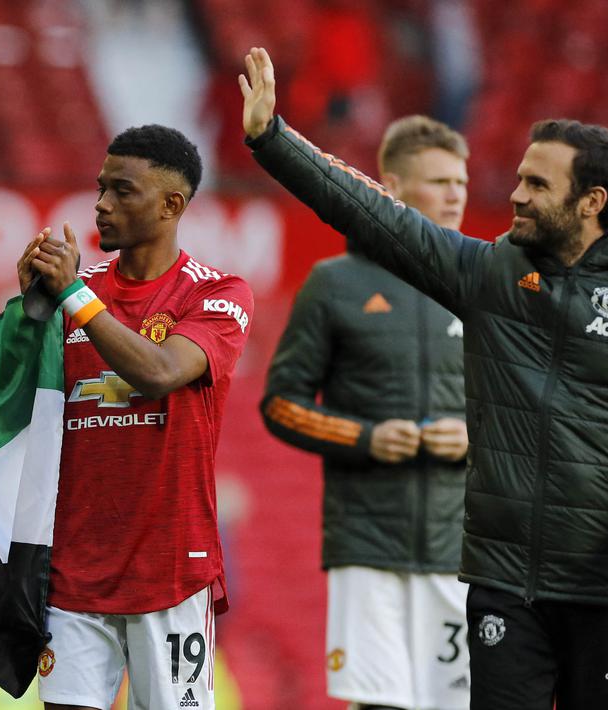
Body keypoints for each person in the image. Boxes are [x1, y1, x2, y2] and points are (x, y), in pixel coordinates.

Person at [241, 46, 608, 709]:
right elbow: (370, 212)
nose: (513, 194)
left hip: (607, 583)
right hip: (503, 583)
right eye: (518, 177)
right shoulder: (490, 275)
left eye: (537, 185)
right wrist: (272, 140)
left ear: (591, 201)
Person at [17, 125, 253, 710]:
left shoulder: (217, 293)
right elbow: (20, 402)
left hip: (170, 569)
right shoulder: (76, 293)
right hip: (74, 570)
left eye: (122, 191)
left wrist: (71, 296)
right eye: (101, 188)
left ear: (172, 205)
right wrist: (31, 313)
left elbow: (160, 371)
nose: (101, 204)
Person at [260, 115, 472, 710]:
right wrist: (367, 437)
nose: (456, 193)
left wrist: (475, 436)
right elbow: (281, 404)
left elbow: (527, 411)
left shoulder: (487, 284)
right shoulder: (335, 284)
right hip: (366, 546)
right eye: (439, 181)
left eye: (461, 180)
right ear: (394, 187)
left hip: (462, 546)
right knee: (379, 705)